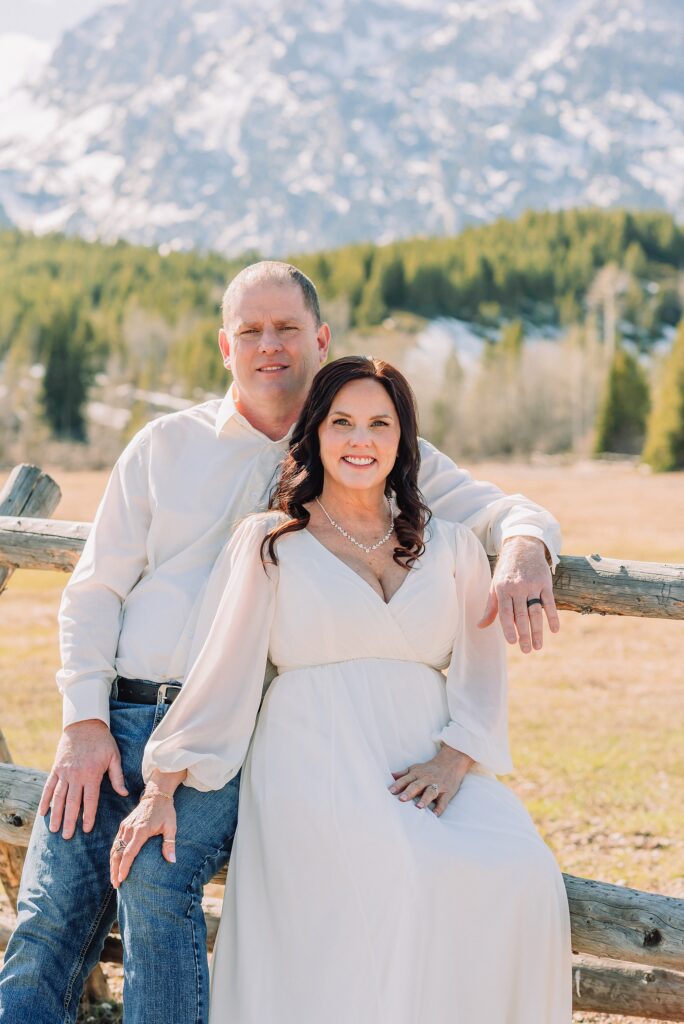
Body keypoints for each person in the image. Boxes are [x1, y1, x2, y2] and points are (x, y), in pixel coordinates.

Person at [0, 263, 561, 1024]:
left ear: (320, 340)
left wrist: (527, 545)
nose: (270, 346)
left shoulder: (357, 443)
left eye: (288, 329)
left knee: (156, 883)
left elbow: (498, 512)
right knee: (42, 925)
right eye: (251, 331)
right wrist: (82, 723)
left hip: (233, 733)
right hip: (118, 713)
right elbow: (95, 590)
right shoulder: (165, 445)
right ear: (225, 346)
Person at [113, 356, 572, 1023]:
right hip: (315, 760)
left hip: (429, 760)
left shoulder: (451, 545)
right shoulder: (271, 542)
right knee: (407, 872)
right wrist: (162, 784)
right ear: (317, 436)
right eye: (343, 423)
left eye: (380, 424)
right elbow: (223, 675)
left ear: (402, 440)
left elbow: (479, 670)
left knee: (524, 872)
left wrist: (455, 758)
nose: (361, 440)